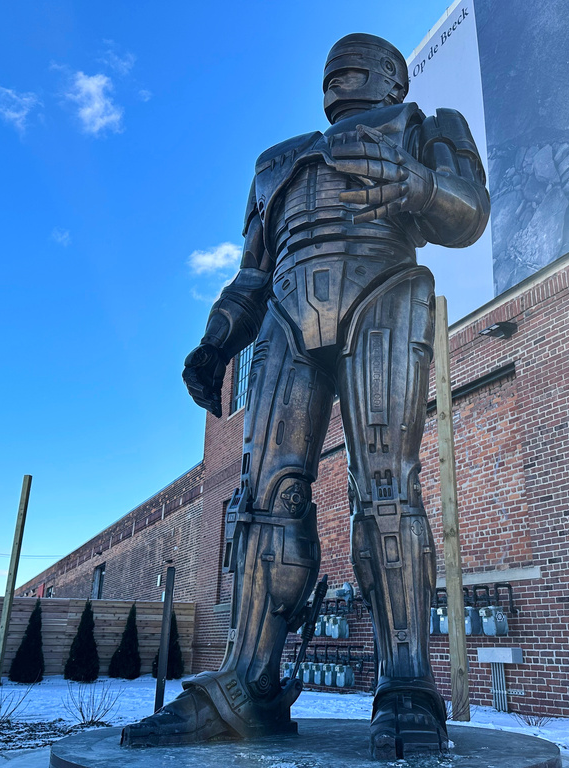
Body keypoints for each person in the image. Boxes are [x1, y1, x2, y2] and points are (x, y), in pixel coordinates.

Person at [122, 32, 489, 760]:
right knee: (266, 496)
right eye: (335, 64)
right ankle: (247, 682)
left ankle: (407, 683)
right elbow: (252, 274)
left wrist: (417, 186)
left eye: (361, 62)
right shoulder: (276, 162)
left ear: (394, 79)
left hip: (383, 290)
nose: (343, 70)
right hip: (288, 318)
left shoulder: (427, 126)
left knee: (386, 487)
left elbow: (468, 213)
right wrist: (217, 339)